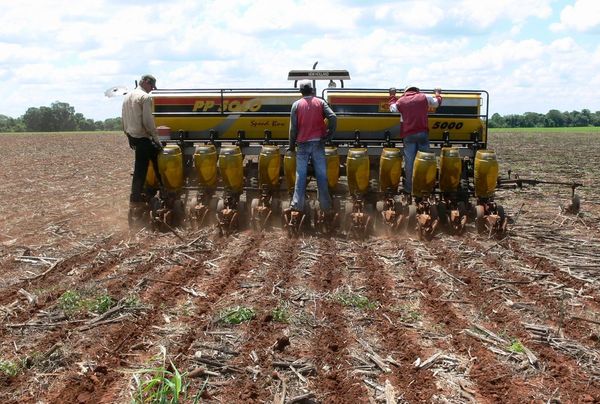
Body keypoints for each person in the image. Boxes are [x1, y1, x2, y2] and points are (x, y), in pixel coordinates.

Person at [289, 80, 337, 214]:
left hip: (302, 145)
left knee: (301, 175)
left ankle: (297, 205)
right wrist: (329, 135)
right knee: (321, 175)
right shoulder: (320, 102)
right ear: (312, 90)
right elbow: (333, 117)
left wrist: (291, 145)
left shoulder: (296, 105)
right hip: (318, 143)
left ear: (300, 92)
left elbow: (293, 129)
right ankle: (326, 205)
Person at [122, 74, 162, 220]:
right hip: (142, 137)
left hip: (132, 137)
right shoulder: (145, 98)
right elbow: (148, 122)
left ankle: (140, 195)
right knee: (159, 158)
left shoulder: (127, 96)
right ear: (146, 82)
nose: (151, 90)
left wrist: (128, 136)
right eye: (151, 86)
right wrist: (157, 140)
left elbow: (123, 119)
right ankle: (164, 191)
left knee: (140, 168)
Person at [389, 85, 442, 194]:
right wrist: (437, 93)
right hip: (423, 133)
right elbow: (437, 103)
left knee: (410, 162)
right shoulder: (424, 97)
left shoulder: (401, 101)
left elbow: (392, 108)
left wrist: (393, 96)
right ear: (417, 91)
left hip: (408, 135)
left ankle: (409, 188)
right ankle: (424, 187)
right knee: (424, 160)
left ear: (405, 92)